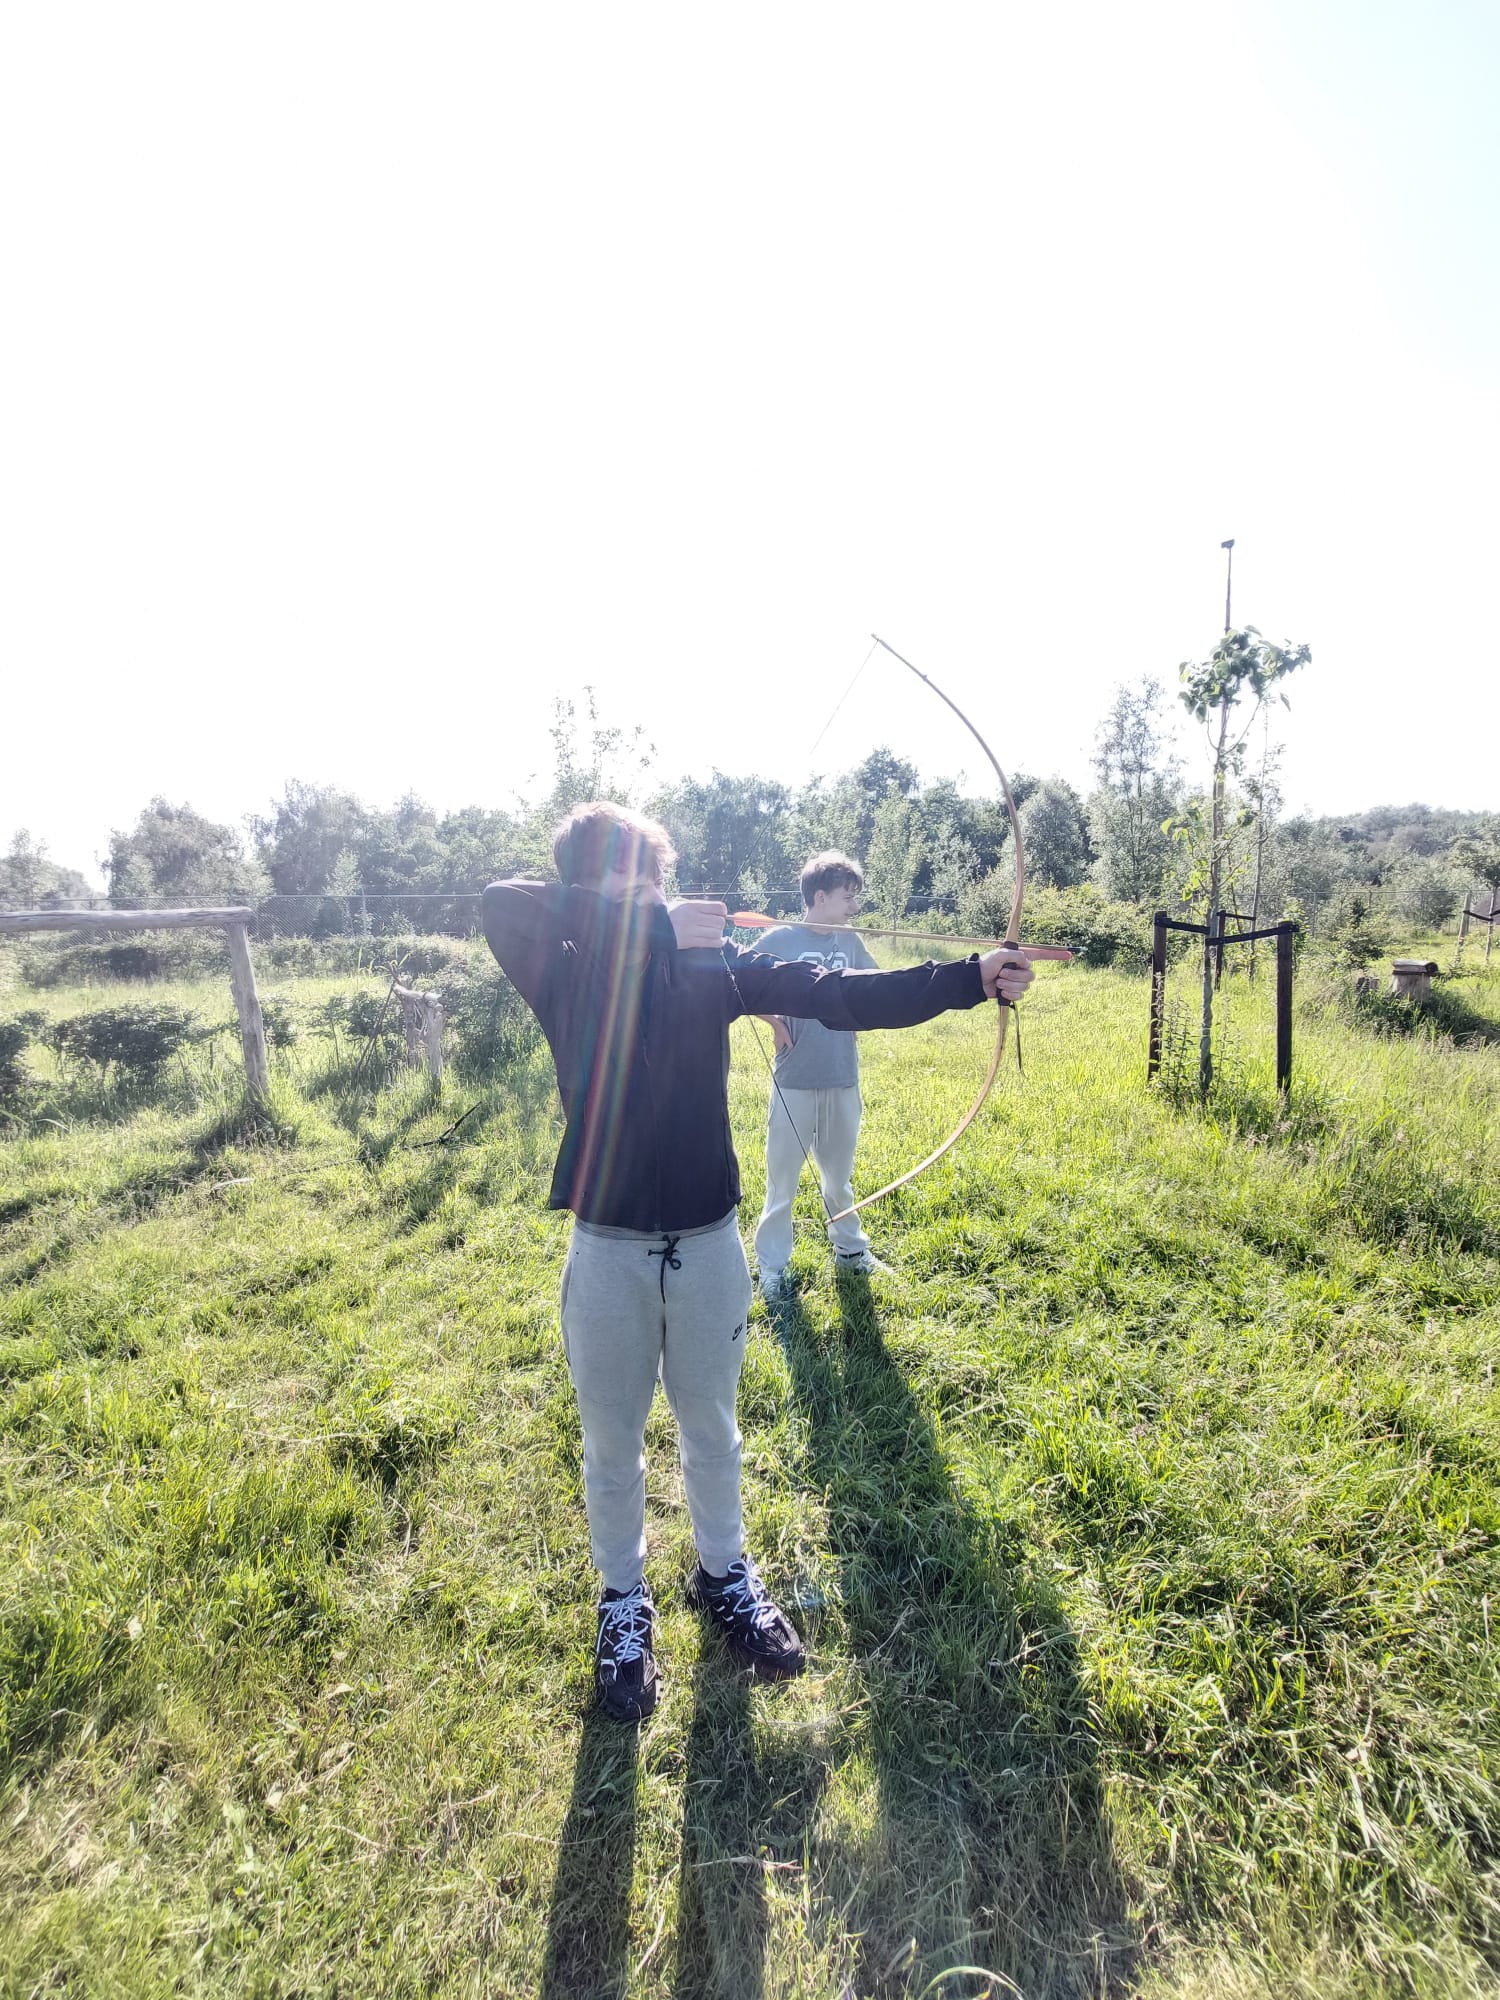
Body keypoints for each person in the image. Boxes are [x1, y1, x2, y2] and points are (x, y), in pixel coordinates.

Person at [481, 802, 1034, 1723]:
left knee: (713, 1428)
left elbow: (835, 992)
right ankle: (623, 1602)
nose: (646, 896)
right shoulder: (560, 967)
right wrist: (651, 925)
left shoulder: (711, 967)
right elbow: (504, 899)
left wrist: (968, 979)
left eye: (654, 880)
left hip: (707, 1244)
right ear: (586, 889)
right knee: (612, 1442)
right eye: (623, 881)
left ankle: (723, 1575)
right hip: (607, 1249)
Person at [750, 849, 886, 1300]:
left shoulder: (849, 941)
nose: (854, 907)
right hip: (795, 1079)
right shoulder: (781, 939)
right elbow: (739, 981)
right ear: (820, 897)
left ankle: (851, 1251)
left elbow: (878, 984)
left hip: (842, 1074)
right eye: (848, 898)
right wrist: (773, 1021)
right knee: (782, 1183)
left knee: (838, 1179)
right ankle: (773, 1267)